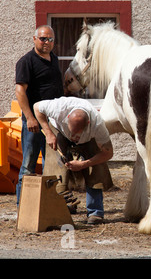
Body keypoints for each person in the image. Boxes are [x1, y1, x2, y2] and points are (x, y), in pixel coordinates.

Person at [33, 96, 114, 225]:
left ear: (87, 124)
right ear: (67, 117)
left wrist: (85, 163)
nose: (73, 137)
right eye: (72, 133)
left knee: (96, 169)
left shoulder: (97, 125)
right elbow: (37, 107)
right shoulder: (59, 108)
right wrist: (48, 133)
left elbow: (108, 153)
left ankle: (95, 212)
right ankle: (63, 208)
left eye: (76, 134)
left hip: (88, 139)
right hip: (58, 130)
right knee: (55, 168)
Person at [15, 25, 64, 205]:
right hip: (34, 122)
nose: (47, 43)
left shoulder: (54, 59)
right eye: (43, 39)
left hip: (53, 122)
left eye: (50, 39)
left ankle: (48, 207)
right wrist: (30, 118)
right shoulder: (26, 61)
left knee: (51, 166)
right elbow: (20, 91)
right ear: (34, 39)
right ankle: (24, 207)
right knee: (28, 165)